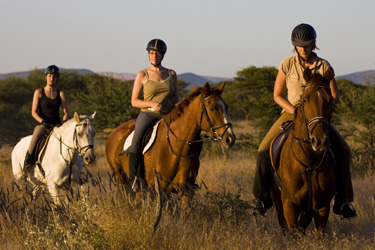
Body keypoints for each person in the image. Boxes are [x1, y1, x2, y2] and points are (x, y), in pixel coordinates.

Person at [251, 23, 357, 219]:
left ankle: (343, 201)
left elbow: (335, 95)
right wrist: (296, 111)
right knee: (263, 151)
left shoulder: (324, 66)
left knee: (343, 150)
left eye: (307, 45)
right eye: (300, 45)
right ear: (294, 45)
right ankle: (260, 198)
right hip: (290, 114)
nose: (303, 49)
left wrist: (321, 109)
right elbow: (277, 95)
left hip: (317, 118)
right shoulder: (286, 64)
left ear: (314, 44)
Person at [128, 39, 179, 192]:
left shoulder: (171, 74)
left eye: (156, 53)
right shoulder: (142, 74)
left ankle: (189, 177)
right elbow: (134, 101)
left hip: (168, 116)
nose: (153, 56)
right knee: (136, 143)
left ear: (162, 55)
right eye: (151, 53)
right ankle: (135, 180)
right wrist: (151, 104)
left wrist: (179, 107)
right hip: (148, 115)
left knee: (192, 140)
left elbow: (175, 97)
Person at [24, 65, 69, 174]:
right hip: (43, 125)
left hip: (57, 126)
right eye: (49, 76)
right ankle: (26, 168)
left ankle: (77, 172)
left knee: (72, 143)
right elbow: (33, 112)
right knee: (32, 146)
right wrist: (43, 122)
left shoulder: (61, 94)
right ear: (46, 77)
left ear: (57, 78)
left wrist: (64, 121)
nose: (51, 79)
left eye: (54, 77)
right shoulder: (39, 92)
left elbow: (66, 112)